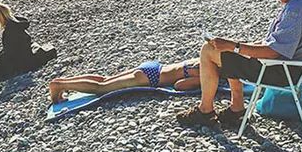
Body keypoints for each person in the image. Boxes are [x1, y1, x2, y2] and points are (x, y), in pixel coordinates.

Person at [176, 0, 302, 127]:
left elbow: (273, 52)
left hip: (281, 72)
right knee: (228, 50)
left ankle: (206, 110)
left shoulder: (296, 9)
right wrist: (238, 46)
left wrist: (235, 46)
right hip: (294, 67)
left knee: (209, 50)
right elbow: (280, 44)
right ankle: (236, 108)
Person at [49, 59, 201, 103]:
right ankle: (60, 85)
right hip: (150, 78)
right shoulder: (207, 72)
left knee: (105, 80)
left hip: (153, 66)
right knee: (101, 88)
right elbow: (178, 86)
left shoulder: (201, 60)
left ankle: (62, 81)